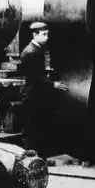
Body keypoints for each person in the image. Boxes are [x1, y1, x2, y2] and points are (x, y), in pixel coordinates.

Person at [19, 22, 67, 151]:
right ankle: (29, 155)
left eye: (47, 34)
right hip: (31, 94)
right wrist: (53, 84)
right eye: (44, 34)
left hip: (37, 93)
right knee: (30, 127)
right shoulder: (30, 52)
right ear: (35, 35)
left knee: (37, 127)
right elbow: (35, 76)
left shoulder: (37, 49)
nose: (47, 37)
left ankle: (38, 155)